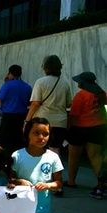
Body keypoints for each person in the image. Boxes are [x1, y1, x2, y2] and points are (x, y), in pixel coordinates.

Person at [25, 55, 71, 196]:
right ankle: (57, 184)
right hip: (61, 121)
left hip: (44, 122)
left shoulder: (41, 82)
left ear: (46, 67)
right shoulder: (65, 83)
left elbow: (35, 103)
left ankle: (42, 179)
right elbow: (69, 104)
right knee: (55, 151)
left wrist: (27, 120)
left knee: (39, 150)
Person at [66, 72, 107, 199]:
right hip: (98, 128)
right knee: (96, 157)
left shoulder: (81, 95)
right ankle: (102, 184)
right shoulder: (102, 93)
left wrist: (69, 129)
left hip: (80, 128)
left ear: (83, 83)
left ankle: (71, 181)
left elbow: (74, 115)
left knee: (73, 155)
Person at [0, 64, 32, 155]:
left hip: (8, 116)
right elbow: (29, 102)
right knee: (19, 139)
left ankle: (6, 158)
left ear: (10, 73)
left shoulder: (7, 85)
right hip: (22, 116)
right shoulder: (27, 87)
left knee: (5, 140)